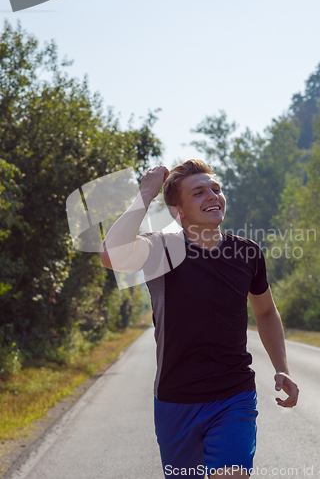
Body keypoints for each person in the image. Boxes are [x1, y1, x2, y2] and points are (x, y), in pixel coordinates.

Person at [100, 160, 299, 478]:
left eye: (216, 189)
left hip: (234, 394)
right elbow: (111, 255)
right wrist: (145, 195)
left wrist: (282, 368)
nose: (213, 196)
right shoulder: (160, 249)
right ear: (178, 210)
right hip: (175, 399)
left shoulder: (247, 253)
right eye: (198, 192)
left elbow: (265, 311)